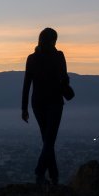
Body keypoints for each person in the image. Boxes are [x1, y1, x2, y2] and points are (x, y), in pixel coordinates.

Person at [21, 27, 70, 185]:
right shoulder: (58, 56)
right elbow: (65, 79)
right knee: (49, 140)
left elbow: (27, 84)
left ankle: (53, 176)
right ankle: (40, 172)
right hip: (55, 102)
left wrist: (24, 108)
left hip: (37, 104)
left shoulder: (31, 58)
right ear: (53, 41)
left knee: (47, 140)